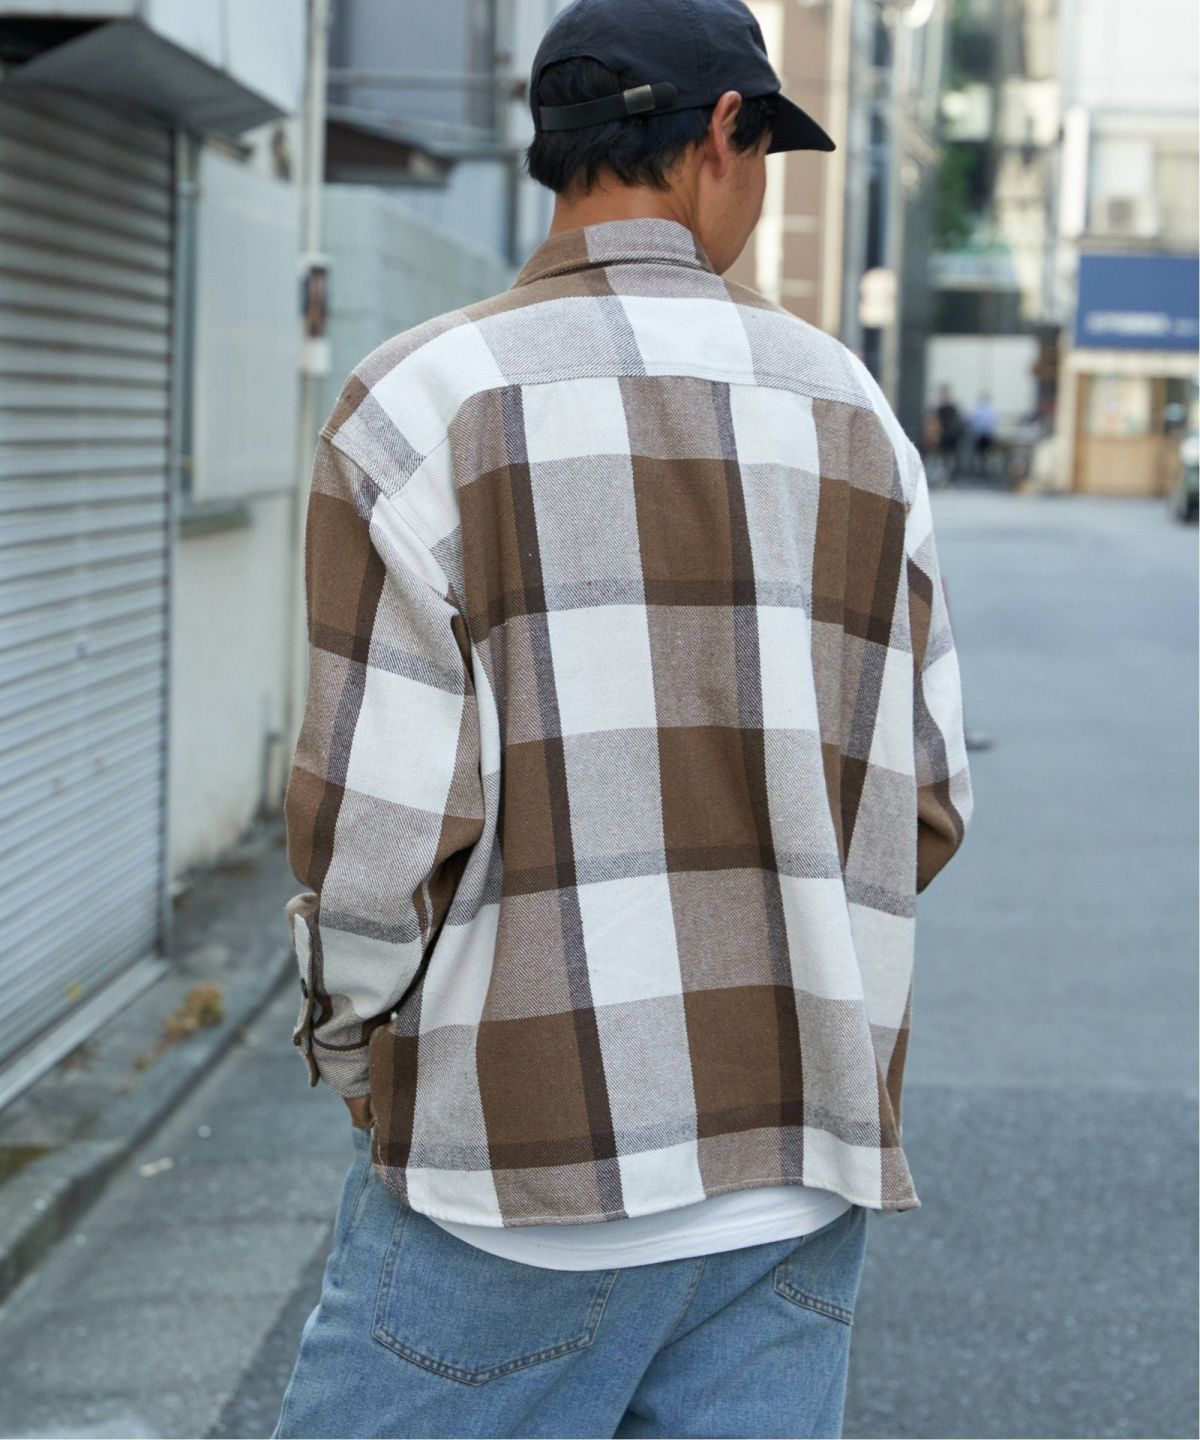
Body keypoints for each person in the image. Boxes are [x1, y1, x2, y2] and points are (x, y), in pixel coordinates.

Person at [273, 1, 973, 1436]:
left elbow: (373, 842)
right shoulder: (854, 415)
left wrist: (352, 1052)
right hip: (790, 1171)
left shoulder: (419, 406)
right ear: (722, 133)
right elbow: (925, 798)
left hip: (515, 1170)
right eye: (765, 149)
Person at [934, 384, 963, 485]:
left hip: (952, 438)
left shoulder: (952, 409)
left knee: (951, 460)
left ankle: (951, 479)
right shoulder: (940, 409)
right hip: (944, 439)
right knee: (944, 459)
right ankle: (944, 479)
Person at [968, 391, 998, 471]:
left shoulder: (978, 409)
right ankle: (983, 466)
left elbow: (972, 422)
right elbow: (994, 421)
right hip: (985, 435)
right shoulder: (991, 410)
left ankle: (980, 466)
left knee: (980, 452)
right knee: (984, 452)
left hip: (981, 435)